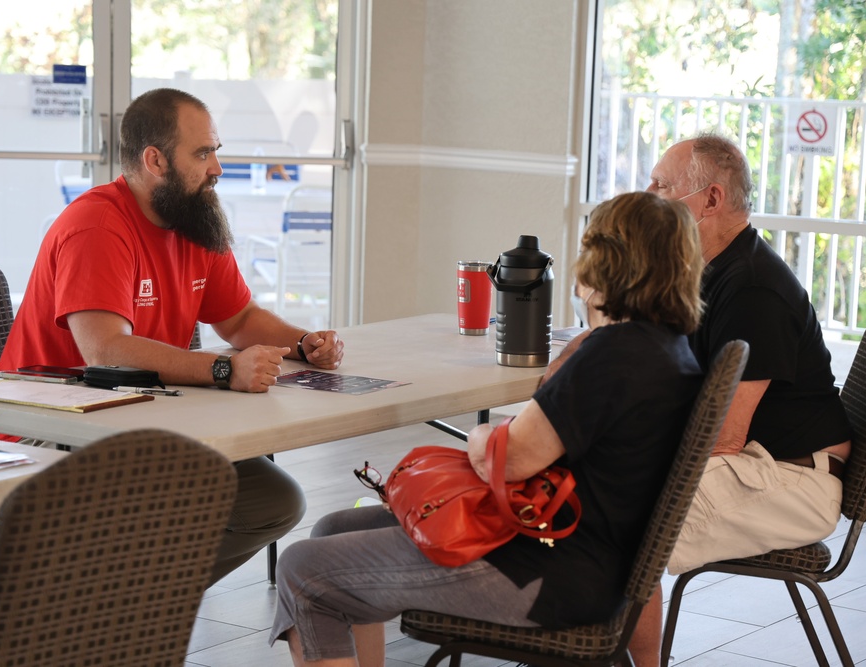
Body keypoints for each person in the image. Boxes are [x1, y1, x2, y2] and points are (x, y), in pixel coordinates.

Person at [268, 191, 705, 666]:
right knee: (332, 530)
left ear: (602, 263)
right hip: (586, 566)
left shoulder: (612, 354)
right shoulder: (670, 351)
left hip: (538, 572)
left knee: (302, 571)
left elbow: (506, 455)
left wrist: (480, 435)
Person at [0, 87, 345, 585]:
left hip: (147, 416)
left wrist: (303, 341)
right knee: (158, 505)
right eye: (203, 154)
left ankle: (131, 612)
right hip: (48, 426)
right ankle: (105, 619)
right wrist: (223, 369)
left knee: (274, 502)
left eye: (216, 151)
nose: (217, 168)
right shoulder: (96, 224)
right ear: (155, 160)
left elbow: (239, 319)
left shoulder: (194, 220)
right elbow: (105, 349)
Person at [627, 133, 852, 666]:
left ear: (710, 199)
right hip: (760, 463)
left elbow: (725, 435)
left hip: (792, 478)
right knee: (600, 494)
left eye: (662, 184)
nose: (649, 193)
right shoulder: (709, 271)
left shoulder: (752, 288)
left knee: (625, 531)